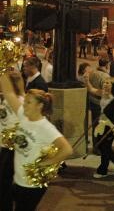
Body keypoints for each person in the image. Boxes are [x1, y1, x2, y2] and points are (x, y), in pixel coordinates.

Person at [0, 73, 72, 211]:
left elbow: (67, 149)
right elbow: (9, 92)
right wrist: (2, 67)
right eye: (25, 101)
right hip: (19, 180)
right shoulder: (23, 115)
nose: (24, 104)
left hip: (33, 186)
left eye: (28, 102)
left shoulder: (46, 128)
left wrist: (45, 163)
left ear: (39, 106)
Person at [84, 75, 114, 179]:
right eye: (104, 83)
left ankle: (104, 169)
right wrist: (87, 80)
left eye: (108, 83)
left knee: (105, 147)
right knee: (103, 147)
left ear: (112, 86)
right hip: (101, 124)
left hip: (110, 125)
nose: (105, 85)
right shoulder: (102, 93)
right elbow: (91, 89)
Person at [0, 72, 25, 211]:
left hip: (12, 148)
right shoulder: (7, 100)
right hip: (5, 146)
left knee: (5, 180)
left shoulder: (19, 102)